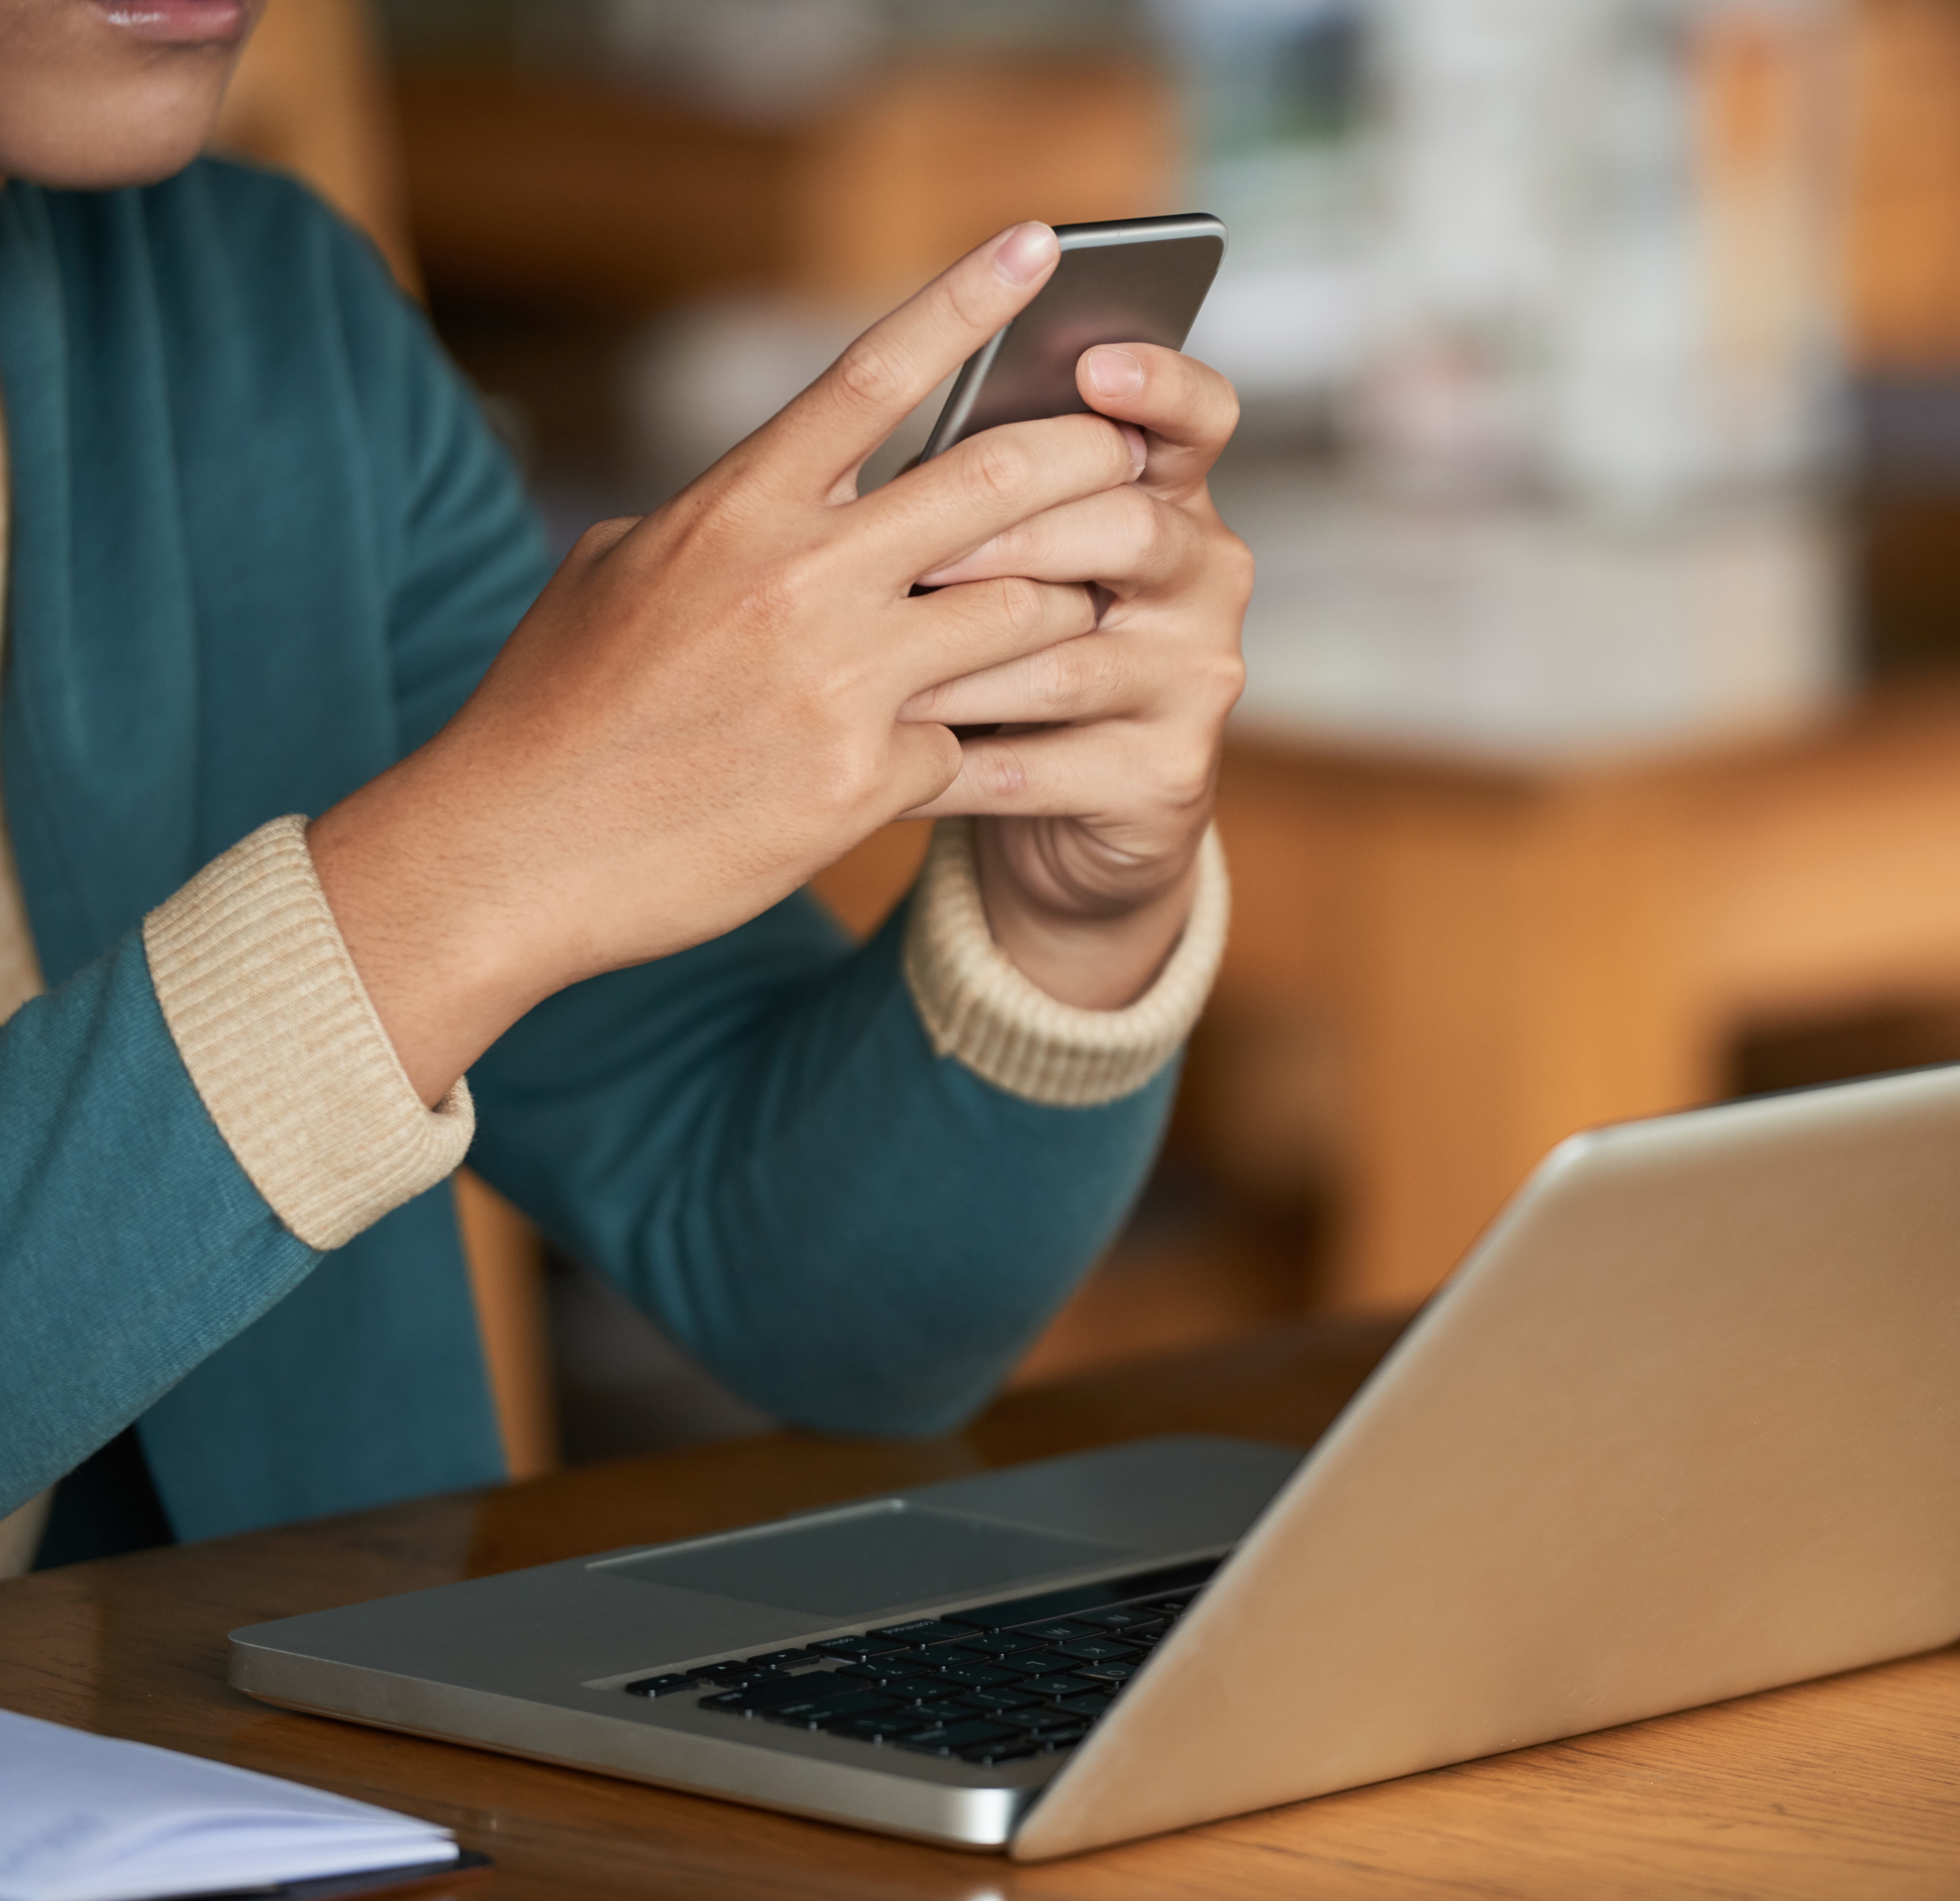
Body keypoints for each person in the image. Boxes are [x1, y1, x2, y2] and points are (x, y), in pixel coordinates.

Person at [0, 0, 1251, 1571]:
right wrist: (473, 870)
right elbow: (484, 867)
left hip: (274, 1780)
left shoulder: (266, 325)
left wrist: (1062, 925)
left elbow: (822, 1301)